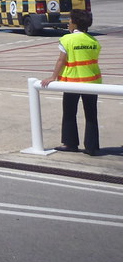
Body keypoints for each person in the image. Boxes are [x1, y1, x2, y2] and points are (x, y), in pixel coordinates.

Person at [41, 9, 101, 156]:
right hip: (92, 82)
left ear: (74, 23)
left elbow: (61, 60)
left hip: (72, 81)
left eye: (69, 21)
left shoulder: (67, 40)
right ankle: (91, 147)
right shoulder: (93, 41)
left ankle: (71, 143)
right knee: (91, 114)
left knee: (69, 113)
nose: (68, 23)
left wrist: (53, 77)